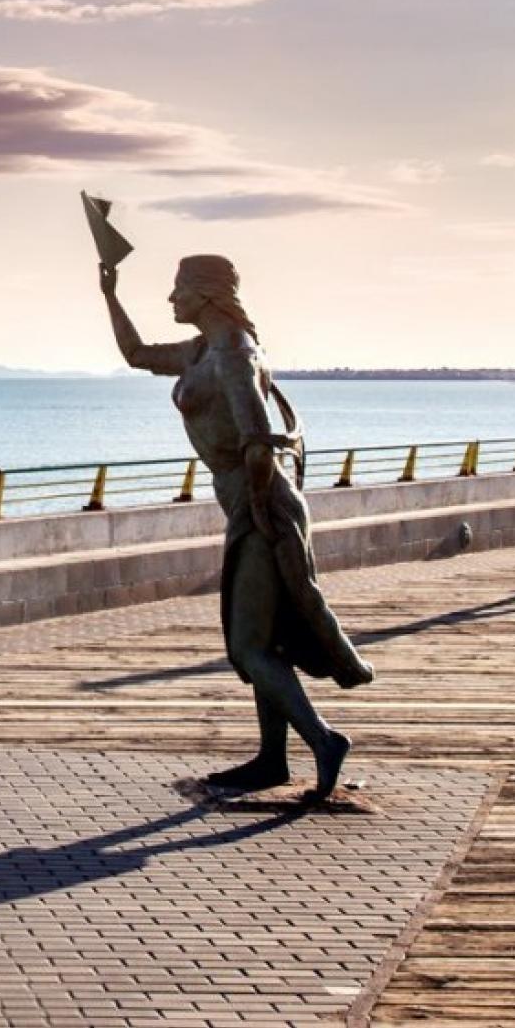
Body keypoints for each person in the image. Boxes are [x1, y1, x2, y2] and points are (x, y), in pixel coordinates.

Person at [102, 254, 371, 798]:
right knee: (263, 640)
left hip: (260, 509)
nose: (171, 300)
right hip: (249, 505)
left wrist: (259, 517)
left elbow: (259, 440)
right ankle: (272, 760)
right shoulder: (202, 348)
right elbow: (136, 355)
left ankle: (323, 741)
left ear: (204, 294)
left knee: (248, 645)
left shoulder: (232, 353)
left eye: (178, 290)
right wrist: (110, 293)